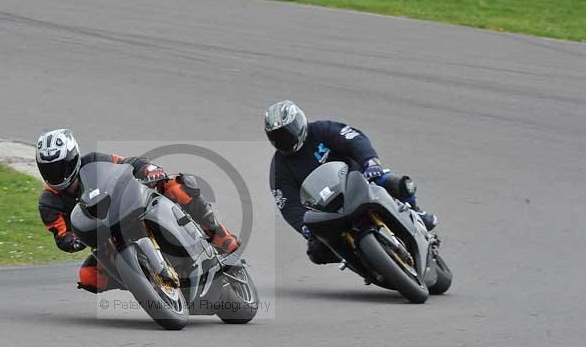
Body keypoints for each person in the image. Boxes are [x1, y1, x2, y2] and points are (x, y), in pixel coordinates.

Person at [36, 129, 239, 293]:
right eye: (49, 169)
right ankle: (145, 283)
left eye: (60, 166)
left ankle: (219, 235)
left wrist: (148, 169)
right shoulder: (48, 202)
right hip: (103, 238)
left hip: (127, 209)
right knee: (88, 276)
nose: (55, 174)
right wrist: (74, 241)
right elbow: (62, 236)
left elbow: (127, 164)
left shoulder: (94, 161)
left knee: (175, 185)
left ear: (73, 157)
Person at [266, 100, 437, 265]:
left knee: (397, 183)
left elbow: (353, 140)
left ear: (299, 122)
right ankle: (362, 265)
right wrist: (303, 226)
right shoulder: (279, 168)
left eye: (287, 132)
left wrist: (370, 162)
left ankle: (416, 213)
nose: (284, 139)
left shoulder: (321, 130)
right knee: (317, 252)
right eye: (278, 136)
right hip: (326, 209)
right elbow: (288, 204)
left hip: (357, 181)